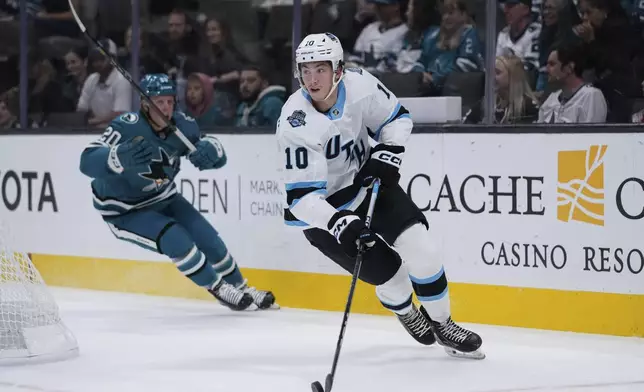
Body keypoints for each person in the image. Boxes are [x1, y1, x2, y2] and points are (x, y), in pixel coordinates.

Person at [276, 33, 484, 359]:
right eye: (306, 69)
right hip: (325, 215)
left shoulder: (359, 85)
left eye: (321, 69)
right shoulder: (295, 121)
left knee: (422, 248)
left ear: (339, 70)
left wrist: (388, 150)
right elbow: (301, 200)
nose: (312, 79)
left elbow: (397, 118)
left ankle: (443, 324)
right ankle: (404, 309)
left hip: (367, 183)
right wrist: (338, 220)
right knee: (392, 275)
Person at [79, 74, 277, 312]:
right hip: (125, 210)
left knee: (208, 239)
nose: (165, 108)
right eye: (158, 102)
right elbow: (86, 161)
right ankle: (219, 288)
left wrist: (212, 150)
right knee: (176, 239)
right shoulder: (126, 126)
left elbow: (216, 158)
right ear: (145, 104)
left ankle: (241, 287)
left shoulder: (183, 126)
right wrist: (116, 156)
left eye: (169, 102)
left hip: (165, 198)